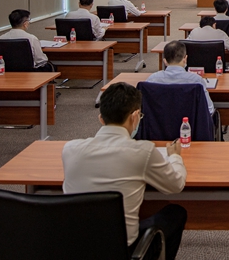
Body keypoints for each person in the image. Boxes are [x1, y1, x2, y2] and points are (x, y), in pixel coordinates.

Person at [62, 82, 187, 260]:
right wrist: (175, 157)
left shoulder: (69, 149)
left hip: (75, 249)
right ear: (135, 116)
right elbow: (176, 185)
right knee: (175, 213)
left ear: (101, 119)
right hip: (122, 251)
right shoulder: (143, 151)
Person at [148, 41, 216, 114]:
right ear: (185, 59)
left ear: (164, 61)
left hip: (159, 120)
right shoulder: (196, 80)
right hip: (190, 121)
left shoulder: (152, 79)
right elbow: (209, 109)